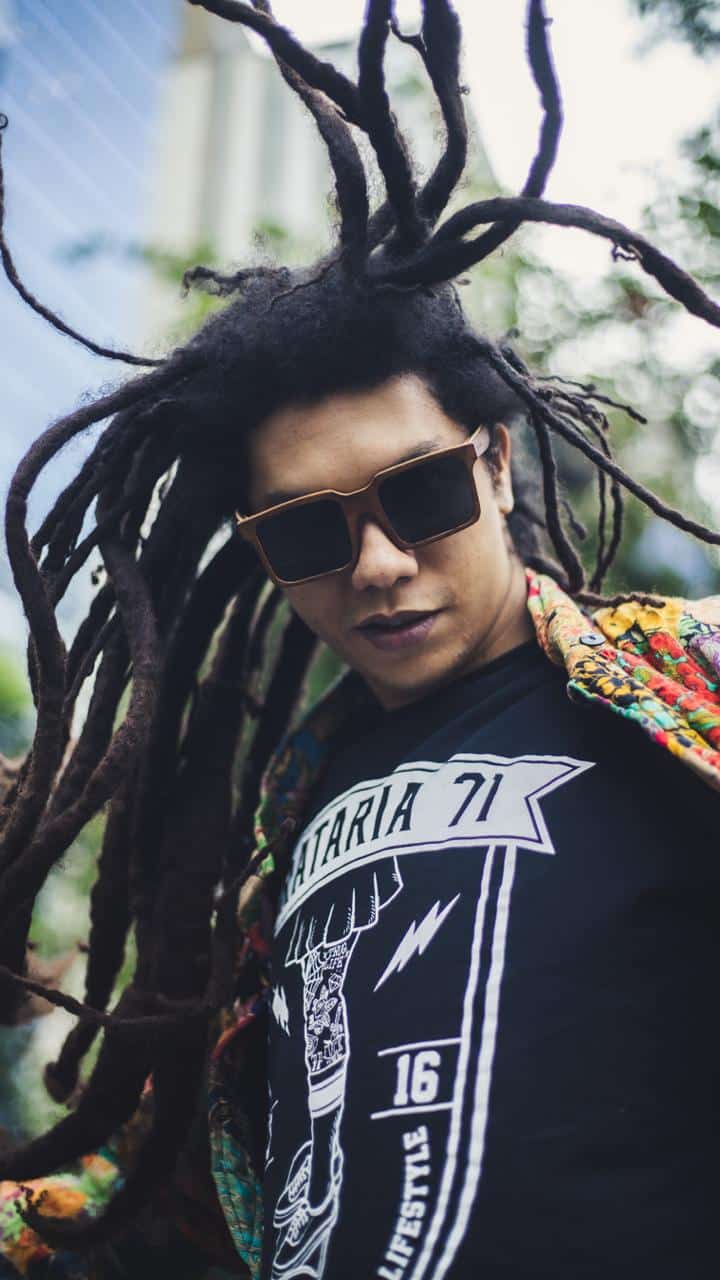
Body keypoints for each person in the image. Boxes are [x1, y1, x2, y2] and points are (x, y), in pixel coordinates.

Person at [0, 2, 720, 1278]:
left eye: (422, 491)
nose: (379, 563)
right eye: (307, 531)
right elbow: (167, 1181)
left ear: (493, 464)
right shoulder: (279, 843)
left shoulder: (684, 681)